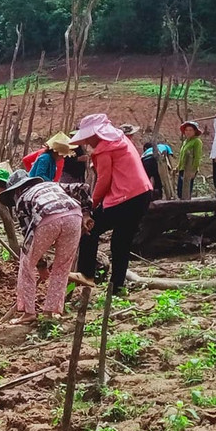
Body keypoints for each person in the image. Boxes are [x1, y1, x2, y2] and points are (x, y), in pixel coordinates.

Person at [70, 113, 153, 296]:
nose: (87, 142)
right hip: (142, 194)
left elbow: (104, 180)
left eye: (88, 137)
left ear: (96, 134)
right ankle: (117, 287)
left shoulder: (104, 149)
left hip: (124, 197)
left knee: (89, 229)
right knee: (121, 242)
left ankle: (86, 274)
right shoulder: (121, 141)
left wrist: (91, 205)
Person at [0, 170, 87, 322]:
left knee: (26, 264)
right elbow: (83, 187)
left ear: (16, 190)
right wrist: (87, 213)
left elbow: (28, 234)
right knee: (62, 267)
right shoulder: (52, 185)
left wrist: (40, 266)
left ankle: (28, 313)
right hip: (74, 215)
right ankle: (50, 312)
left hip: (47, 217)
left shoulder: (22, 199)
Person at [177, 121, 204, 199]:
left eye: (190, 130)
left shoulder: (197, 142)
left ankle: (186, 205)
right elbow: (182, 156)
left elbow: (197, 157)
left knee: (186, 190)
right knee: (180, 190)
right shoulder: (185, 142)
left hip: (189, 169)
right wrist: (178, 167)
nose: (188, 132)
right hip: (182, 169)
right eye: (186, 130)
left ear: (195, 131)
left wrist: (193, 170)